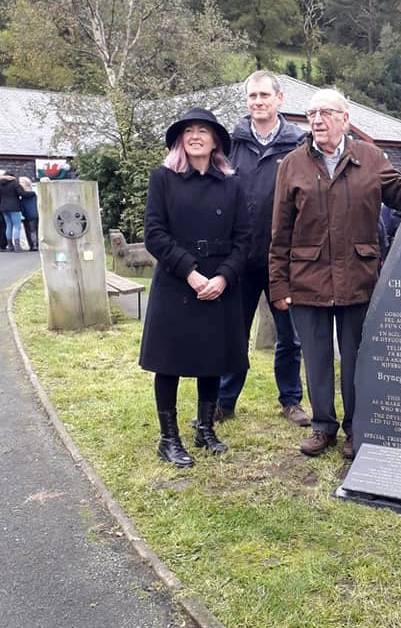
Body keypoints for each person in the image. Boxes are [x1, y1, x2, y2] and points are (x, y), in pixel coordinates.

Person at [269, 88, 401, 459]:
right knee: (316, 358)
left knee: (356, 358)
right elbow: (280, 230)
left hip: (359, 277)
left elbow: (400, 196)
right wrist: (278, 284)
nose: (317, 120)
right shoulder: (292, 164)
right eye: (311, 114)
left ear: (345, 119)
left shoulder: (370, 157)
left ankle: (357, 427)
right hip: (308, 279)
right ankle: (322, 427)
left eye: (326, 113)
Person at [139, 108, 250, 468]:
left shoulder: (232, 184)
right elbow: (154, 234)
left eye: (203, 130)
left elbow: (244, 239)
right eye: (188, 131)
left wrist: (223, 277)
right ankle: (168, 438)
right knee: (168, 362)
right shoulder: (163, 178)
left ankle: (205, 429)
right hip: (176, 281)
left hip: (220, 281)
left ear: (216, 139)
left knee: (213, 359)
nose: (195, 136)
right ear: (180, 140)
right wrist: (190, 272)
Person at [216, 71, 310, 427]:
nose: (258, 102)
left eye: (264, 96)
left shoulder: (299, 143)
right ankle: (225, 400)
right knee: (233, 333)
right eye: (252, 96)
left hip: (283, 258)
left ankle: (290, 400)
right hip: (239, 256)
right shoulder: (230, 143)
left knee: (290, 335)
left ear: (279, 99)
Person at [0, 170, 26, 252]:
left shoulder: (0, 183)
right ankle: (17, 247)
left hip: (3, 207)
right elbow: (21, 193)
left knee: (8, 225)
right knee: (17, 226)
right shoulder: (14, 183)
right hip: (14, 207)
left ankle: (10, 246)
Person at [18, 177, 39, 251]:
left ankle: (34, 245)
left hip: (31, 214)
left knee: (32, 230)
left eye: (21, 182)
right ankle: (33, 245)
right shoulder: (32, 194)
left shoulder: (28, 194)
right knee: (30, 230)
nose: (19, 184)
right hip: (29, 214)